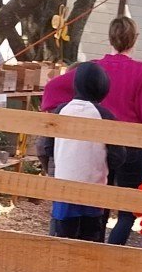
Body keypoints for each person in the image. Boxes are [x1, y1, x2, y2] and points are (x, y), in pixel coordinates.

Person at [96, 15, 142, 245]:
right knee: (127, 209)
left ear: (110, 38)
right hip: (130, 146)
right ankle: (113, 249)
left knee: (98, 202)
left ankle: (94, 246)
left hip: (98, 143)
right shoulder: (141, 71)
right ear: (134, 39)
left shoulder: (95, 67)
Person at [48, 61, 111, 242]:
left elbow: (44, 145)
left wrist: (55, 166)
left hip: (63, 188)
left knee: (62, 239)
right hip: (94, 191)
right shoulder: (104, 115)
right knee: (89, 240)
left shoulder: (61, 111)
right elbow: (117, 153)